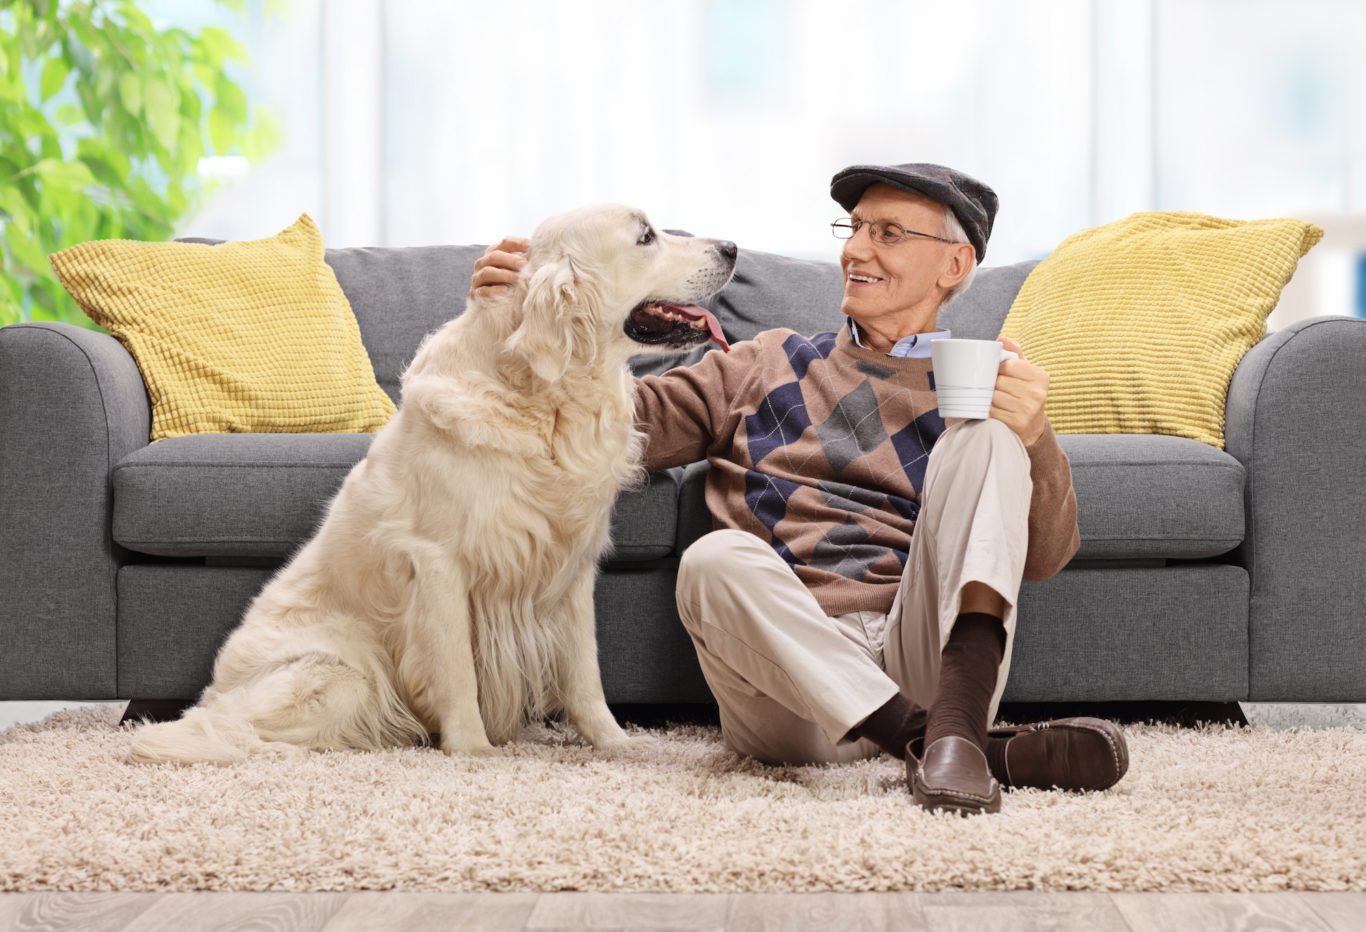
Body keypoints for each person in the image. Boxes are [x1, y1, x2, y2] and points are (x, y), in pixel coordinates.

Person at [469, 163, 1128, 815]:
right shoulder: (767, 362)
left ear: (953, 266)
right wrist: (513, 321)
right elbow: (588, 424)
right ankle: (946, 743)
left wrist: (1034, 437)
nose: (857, 250)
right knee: (713, 559)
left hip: (927, 658)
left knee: (985, 436)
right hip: (791, 688)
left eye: (890, 233)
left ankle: (953, 727)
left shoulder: (983, 382)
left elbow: (1041, 558)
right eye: (857, 227)